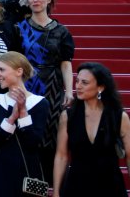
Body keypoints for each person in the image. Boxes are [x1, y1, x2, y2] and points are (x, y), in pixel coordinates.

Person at [19, 0, 74, 180]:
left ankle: (51, 183)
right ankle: (30, 182)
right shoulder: (20, 28)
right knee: (29, 131)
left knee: (50, 133)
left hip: (52, 85)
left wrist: (69, 91)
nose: (35, 0)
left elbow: (66, 63)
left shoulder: (61, 31)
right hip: (27, 84)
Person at [53, 62, 130, 197]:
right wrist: (56, 192)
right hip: (76, 186)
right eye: (77, 81)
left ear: (100, 87)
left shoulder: (119, 117)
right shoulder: (68, 116)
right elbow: (61, 156)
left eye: (85, 82)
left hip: (110, 187)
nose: (78, 86)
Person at [0, 52, 50, 197]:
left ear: (19, 71)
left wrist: (23, 113)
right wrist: (12, 117)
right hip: (1, 173)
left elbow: (33, 142)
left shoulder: (40, 103)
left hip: (29, 174)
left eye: (2, 69)